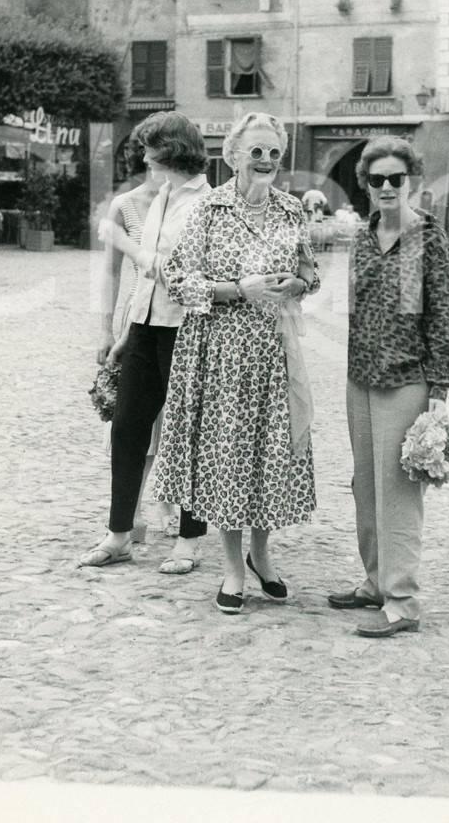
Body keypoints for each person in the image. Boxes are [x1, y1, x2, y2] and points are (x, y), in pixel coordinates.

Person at [152, 113, 319, 614]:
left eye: (273, 152)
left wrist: (300, 283)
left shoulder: (292, 211)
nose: (265, 160)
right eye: (256, 151)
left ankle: (260, 555)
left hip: (273, 351)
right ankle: (230, 570)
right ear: (234, 155)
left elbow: (310, 270)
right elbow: (176, 278)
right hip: (220, 353)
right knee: (226, 459)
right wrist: (233, 290)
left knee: (270, 456)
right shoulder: (210, 209)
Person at [328, 135, 449, 638]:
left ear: (411, 182)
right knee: (366, 485)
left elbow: (442, 314)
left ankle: (402, 600)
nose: (385, 187)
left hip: (407, 379)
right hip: (359, 377)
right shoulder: (363, 236)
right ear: (365, 184)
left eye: (395, 179)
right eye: (376, 178)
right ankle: (374, 580)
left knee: (398, 492)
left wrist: (439, 389)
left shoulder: (430, 238)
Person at [80, 112, 210, 570]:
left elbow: (174, 273)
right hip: (147, 327)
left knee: (186, 436)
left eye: (149, 149)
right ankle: (119, 534)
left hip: (187, 330)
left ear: (170, 150)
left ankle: (189, 542)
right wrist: (127, 333)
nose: (143, 158)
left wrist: (123, 240)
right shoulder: (163, 198)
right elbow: (146, 283)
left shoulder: (206, 205)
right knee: (127, 430)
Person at [93, 124, 176, 540]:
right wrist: (106, 329)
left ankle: (170, 503)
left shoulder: (191, 201)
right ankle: (134, 509)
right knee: (134, 418)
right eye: (153, 149)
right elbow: (109, 272)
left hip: (181, 317)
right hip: (138, 317)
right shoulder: (125, 205)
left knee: (176, 419)